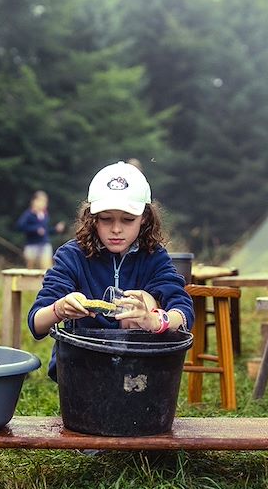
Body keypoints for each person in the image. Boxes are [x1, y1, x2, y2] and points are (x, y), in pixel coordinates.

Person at [27, 161, 194, 380]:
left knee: (144, 301)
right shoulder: (71, 256)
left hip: (138, 367)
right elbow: (36, 323)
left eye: (128, 220)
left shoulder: (154, 256)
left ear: (144, 218)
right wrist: (59, 309)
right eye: (106, 219)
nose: (116, 229)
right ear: (92, 218)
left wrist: (154, 320)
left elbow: (183, 311)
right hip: (81, 365)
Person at [15, 190, 65, 269]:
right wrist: (35, 229)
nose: (44, 204)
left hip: (44, 244)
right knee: (31, 269)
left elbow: (45, 231)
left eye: (45, 202)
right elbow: (20, 226)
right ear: (34, 201)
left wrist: (55, 229)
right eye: (42, 201)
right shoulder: (28, 214)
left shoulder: (45, 215)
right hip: (31, 245)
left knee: (46, 268)